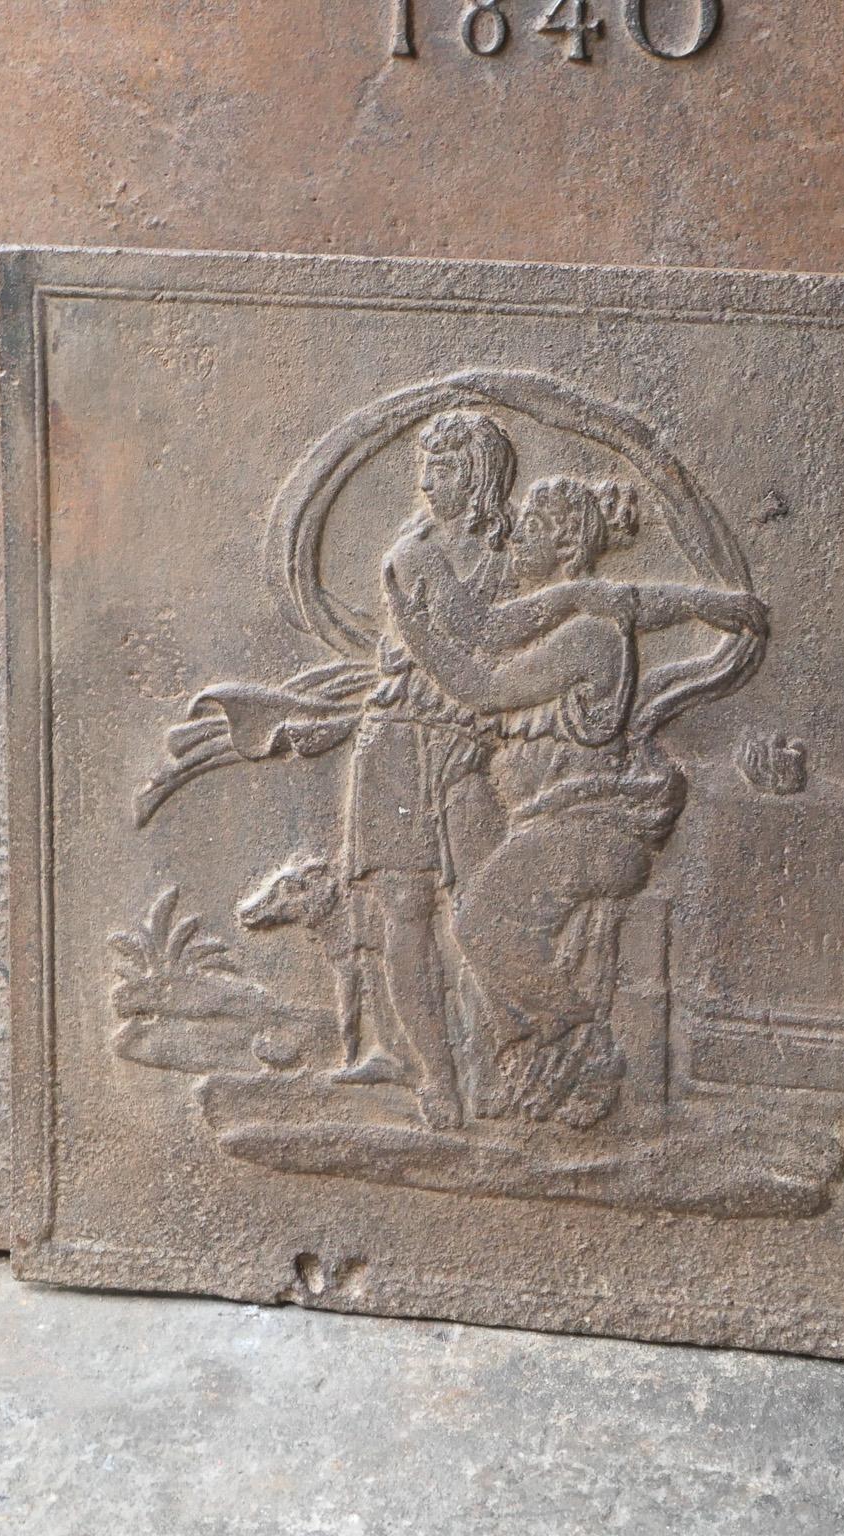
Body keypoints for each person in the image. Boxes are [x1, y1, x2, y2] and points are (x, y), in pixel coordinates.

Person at [384, 475, 767, 1126]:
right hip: (555, 825)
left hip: (588, 828)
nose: (513, 536)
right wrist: (701, 601)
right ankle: (536, 1069)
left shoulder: (586, 637)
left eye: (530, 529)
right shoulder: (583, 615)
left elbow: (481, 685)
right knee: (481, 922)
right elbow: (628, 602)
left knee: (479, 924)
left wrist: (411, 624)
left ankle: (588, 1045)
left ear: (565, 544)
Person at [343, 410, 519, 1130]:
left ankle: (494, 1069)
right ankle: (438, 1078)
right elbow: (472, 633)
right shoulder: (411, 556)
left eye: (442, 468)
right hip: (397, 740)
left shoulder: (511, 554)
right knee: (406, 911)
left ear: (477, 477)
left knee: (485, 909)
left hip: (468, 746)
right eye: (424, 467)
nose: (426, 482)